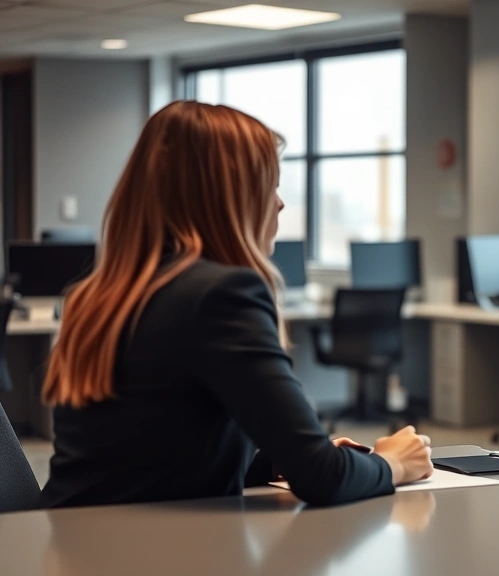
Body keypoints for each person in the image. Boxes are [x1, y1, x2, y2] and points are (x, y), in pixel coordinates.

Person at [40, 101, 432, 509]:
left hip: (72, 545)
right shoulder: (221, 294)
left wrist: (286, 458)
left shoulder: (97, 295)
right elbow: (323, 480)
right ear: (227, 198)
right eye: (270, 186)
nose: (279, 204)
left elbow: (151, 459)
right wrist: (393, 463)